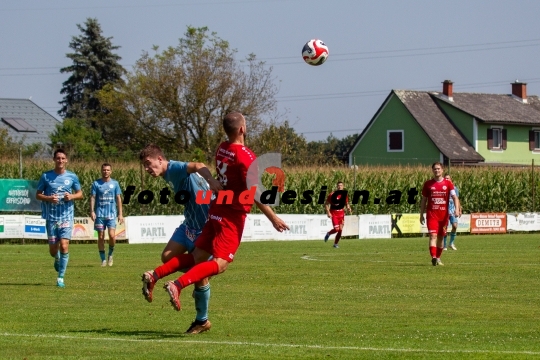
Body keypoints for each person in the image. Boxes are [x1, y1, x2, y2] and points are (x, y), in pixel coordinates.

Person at [141, 112, 289, 328]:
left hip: (216, 209)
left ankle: (156, 275)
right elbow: (255, 192)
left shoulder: (222, 149)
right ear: (242, 129)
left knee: (196, 258)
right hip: (231, 215)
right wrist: (273, 217)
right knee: (219, 264)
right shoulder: (246, 156)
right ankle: (178, 285)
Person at [139, 144, 222, 334]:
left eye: (148, 163)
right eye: (144, 165)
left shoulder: (174, 168)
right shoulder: (168, 174)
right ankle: (198, 273)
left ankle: (202, 320)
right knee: (168, 256)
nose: (147, 169)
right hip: (188, 225)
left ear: (160, 159)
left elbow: (198, 164)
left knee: (199, 276)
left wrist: (211, 181)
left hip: (203, 228)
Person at [36, 149, 83, 288]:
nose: (60, 160)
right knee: (53, 250)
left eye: (63, 158)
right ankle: (56, 258)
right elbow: (38, 195)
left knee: (64, 245)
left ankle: (60, 278)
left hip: (66, 217)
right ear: (54, 159)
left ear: (66, 160)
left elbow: (80, 193)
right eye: (58, 158)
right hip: (51, 217)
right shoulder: (46, 176)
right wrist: (49, 198)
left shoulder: (72, 176)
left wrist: (72, 196)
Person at [419, 162, 461, 266]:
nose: (437, 170)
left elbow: (455, 197)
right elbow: (424, 200)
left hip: (443, 216)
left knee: (441, 237)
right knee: (433, 236)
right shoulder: (428, 184)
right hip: (432, 215)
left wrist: (457, 209)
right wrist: (421, 214)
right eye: (435, 169)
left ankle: (438, 258)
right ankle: (433, 257)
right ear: (432, 170)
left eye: (438, 169)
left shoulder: (448, 184)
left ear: (442, 170)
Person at [90, 163, 124, 267]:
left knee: (112, 236)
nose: (106, 172)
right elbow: (92, 197)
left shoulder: (115, 183)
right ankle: (103, 260)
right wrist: (92, 211)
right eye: (104, 170)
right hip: (100, 214)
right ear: (101, 171)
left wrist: (120, 214)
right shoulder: (96, 183)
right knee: (100, 237)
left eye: (108, 170)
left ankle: (110, 254)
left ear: (111, 171)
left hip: (111, 214)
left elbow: (118, 198)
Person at [324, 181, 352, 248]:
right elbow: (326, 204)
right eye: (338, 185)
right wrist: (328, 212)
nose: (340, 186)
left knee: (340, 230)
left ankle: (335, 244)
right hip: (334, 214)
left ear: (343, 186)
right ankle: (329, 233)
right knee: (336, 229)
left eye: (341, 185)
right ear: (337, 187)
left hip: (341, 214)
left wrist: (348, 208)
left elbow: (346, 203)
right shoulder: (332, 195)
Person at [443, 174, 461, 251]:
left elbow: (457, 199)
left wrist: (459, 209)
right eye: (445, 178)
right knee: (444, 228)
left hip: (452, 211)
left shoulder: (454, 188)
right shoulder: (442, 188)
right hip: (444, 211)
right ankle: (444, 245)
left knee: (455, 226)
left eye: (448, 178)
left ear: (451, 179)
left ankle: (451, 243)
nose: (447, 179)